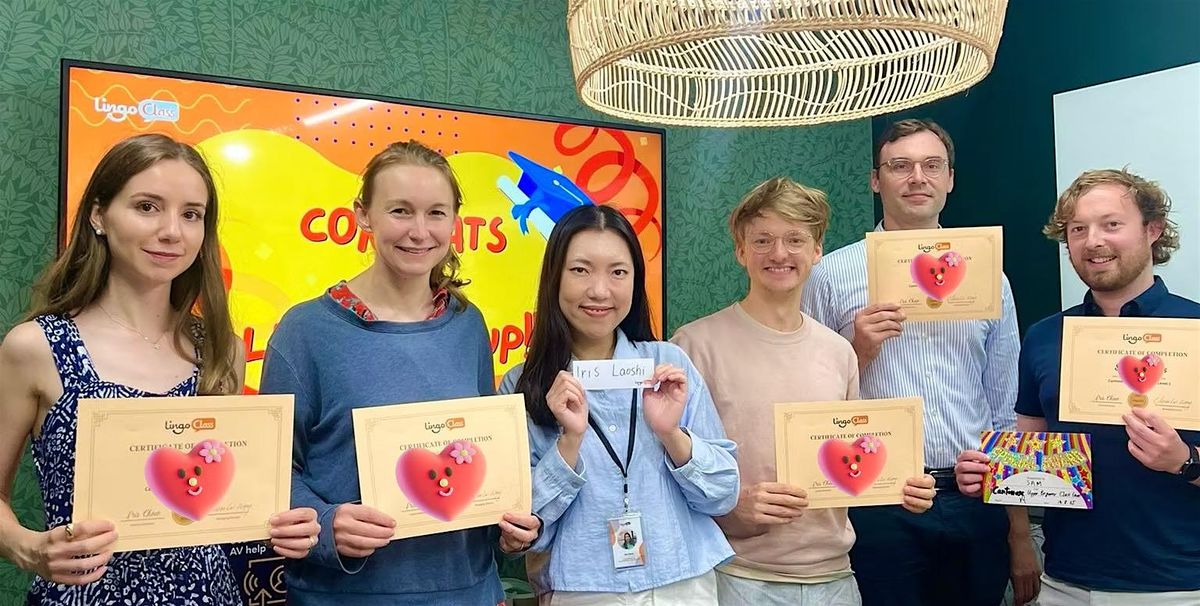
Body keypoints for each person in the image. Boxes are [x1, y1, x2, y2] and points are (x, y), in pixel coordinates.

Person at [0, 133, 319, 605]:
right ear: (98, 215)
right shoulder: (37, 347)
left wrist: (285, 525)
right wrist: (29, 549)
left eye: (191, 214)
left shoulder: (221, 352)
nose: (173, 231)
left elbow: (225, 501)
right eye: (147, 207)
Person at [259, 140, 540, 606]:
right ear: (363, 215)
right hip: (346, 596)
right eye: (400, 211)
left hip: (466, 590)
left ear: (454, 221)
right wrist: (326, 524)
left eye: (436, 213)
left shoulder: (468, 325)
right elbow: (269, 473)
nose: (419, 231)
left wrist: (511, 523)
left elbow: (484, 458)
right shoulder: (304, 331)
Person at [801, 119, 1034, 605]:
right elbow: (811, 407)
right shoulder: (830, 275)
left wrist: (1018, 532)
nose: (917, 178)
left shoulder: (989, 276)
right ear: (875, 180)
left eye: (932, 165)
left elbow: (1005, 406)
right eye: (900, 166)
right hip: (878, 498)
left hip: (976, 496)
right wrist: (858, 350)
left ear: (950, 178)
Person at [672, 177, 935, 606]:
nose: (779, 254)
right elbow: (668, 467)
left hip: (836, 579)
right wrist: (731, 508)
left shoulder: (839, 351)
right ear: (740, 251)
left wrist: (902, 485)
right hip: (736, 576)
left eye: (795, 240)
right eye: (762, 240)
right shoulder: (693, 346)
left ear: (817, 251)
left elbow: (854, 458)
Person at [956, 169, 1200, 605]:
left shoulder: (1195, 329)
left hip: (1177, 586)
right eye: (1078, 229)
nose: (1093, 241)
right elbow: (1029, 451)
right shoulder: (1045, 336)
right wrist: (991, 473)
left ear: (1153, 229)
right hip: (1065, 583)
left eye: (1111, 224)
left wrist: (1185, 461)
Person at [499, 204, 738, 605]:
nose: (599, 290)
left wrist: (671, 434)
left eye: (618, 272)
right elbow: (523, 528)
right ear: (554, 277)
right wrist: (569, 442)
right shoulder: (523, 384)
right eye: (580, 270)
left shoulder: (668, 365)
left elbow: (722, 495)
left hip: (682, 582)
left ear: (635, 280)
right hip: (582, 588)